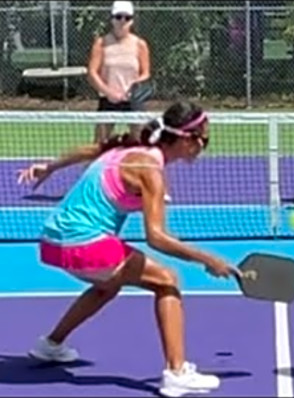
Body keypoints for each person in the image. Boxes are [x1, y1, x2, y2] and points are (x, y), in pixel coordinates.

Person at [17, 101, 238, 398]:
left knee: (106, 286)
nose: (205, 146)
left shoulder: (126, 150)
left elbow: (89, 150)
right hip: (85, 244)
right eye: (204, 139)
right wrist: (208, 259)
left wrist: (50, 167)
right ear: (187, 139)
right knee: (168, 280)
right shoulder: (150, 171)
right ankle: (176, 373)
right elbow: (156, 237)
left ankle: (51, 345)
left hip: (54, 241)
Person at [87, 1, 151, 143]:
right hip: (108, 101)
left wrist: (132, 90)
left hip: (133, 101)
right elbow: (92, 73)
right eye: (118, 17)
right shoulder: (101, 43)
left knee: (141, 142)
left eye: (127, 18)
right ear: (112, 19)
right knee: (99, 144)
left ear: (132, 21)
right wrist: (110, 93)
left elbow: (146, 73)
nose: (122, 21)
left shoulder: (140, 44)